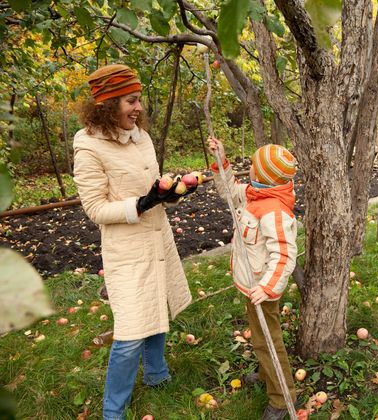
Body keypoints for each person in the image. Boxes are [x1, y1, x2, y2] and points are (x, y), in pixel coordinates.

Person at [73, 64, 193, 420]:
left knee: (158, 306)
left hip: (157, 237)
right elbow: (95, 208)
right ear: (108, 105)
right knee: (129, 333)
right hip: (127, 249)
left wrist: (170, 193)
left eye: (138, 100)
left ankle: (157, 375)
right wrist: (141, 204)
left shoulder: (141, 137)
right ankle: (113, 411)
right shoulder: (89, 146)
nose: (138, 108)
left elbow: (152, 185)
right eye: (130, 101)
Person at [207, 137, 298, 420]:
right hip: (252, 287)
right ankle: (265, 374)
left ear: (261, 175)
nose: (249, 172)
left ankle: (281, 399)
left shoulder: (274, 211)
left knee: (268, 342)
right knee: (260, 337)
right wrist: (221, 161)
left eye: (253, 168)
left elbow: (283, 255)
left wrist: (268, 288)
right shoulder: (256, 193)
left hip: (262, 291)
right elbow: (229, 191)